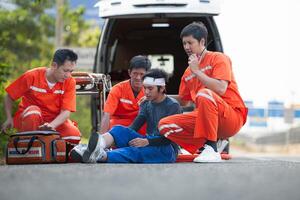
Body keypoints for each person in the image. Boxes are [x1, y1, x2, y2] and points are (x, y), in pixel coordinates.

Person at [158, 22, 248, 162]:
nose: (186, 47)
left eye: (190, 43)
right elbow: (184, 100)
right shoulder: (188, 72)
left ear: (202, 41)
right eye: (184, 43)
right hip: (205, 119)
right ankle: (206, 146)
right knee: (164, 125)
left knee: (203, 93)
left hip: (230, 117)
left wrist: (197, 72)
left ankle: (211, 147)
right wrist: (157, 97)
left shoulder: (218, 58)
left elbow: (220, 88)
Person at [71, 68, 182, 163]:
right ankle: (95, 147)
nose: (146, 92)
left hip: (167, 149)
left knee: (135, 151)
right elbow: (134, 127)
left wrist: (148, 142)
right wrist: (119, 137)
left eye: (150, 88)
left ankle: (101, 156)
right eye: (145, 88)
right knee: (119, 130)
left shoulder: (173, 106)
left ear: (162, 88)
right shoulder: (146, 103)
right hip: (148, 141)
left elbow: (171, 139)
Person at [1, 49, 81, 145]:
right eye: (65, 70)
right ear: (54, 65)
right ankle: (30, 146)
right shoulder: (31, 76)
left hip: (53, 122)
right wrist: (9, 117)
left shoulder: (70, 82)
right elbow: (9, 96)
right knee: (33, 112)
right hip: (31, 119)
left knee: (74, 135)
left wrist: (50, 126)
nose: (68, 75)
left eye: (71, 71)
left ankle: (49, 150)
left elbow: (65, 113)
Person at [99, 55, 151, 135]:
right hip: (119, 124)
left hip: (141, 124)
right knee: (111, 125)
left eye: (142, 74)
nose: (138, 77)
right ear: (129, 73)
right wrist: (101, 141)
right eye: (135, 73)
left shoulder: (152, 90)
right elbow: (107, 115)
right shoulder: (117, 89)